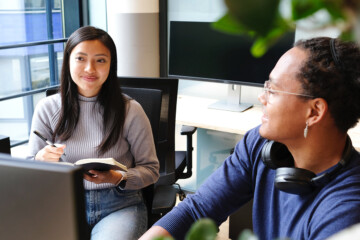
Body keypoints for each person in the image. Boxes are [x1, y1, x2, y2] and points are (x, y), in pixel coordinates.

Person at [140, 37, 360, 240]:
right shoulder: (261, 144)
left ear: (314, 112)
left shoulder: (346, 214)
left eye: (273, 90)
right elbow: (197, 210)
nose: (261, 97)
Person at [28, 26, 159, 240]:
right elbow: (28, 169)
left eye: (100, 60)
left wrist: (118, 177)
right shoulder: (47, 108)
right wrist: (39, 159)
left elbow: (152, 170)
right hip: (63, 204)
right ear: (68, 61)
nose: (90, 69)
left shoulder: (130, 110)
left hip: (119, 205)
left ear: (111, 65)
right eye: (81, 58)